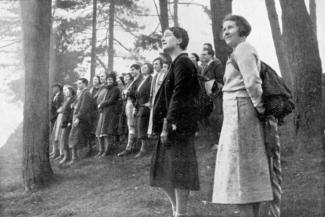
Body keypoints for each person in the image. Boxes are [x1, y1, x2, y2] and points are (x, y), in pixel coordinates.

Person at [212, 15, 273, 217]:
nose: (226, 31)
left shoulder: (244, 49)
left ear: (242, 30)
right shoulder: (238, 51)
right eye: (224, 28)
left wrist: (260, 108)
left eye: (230, 27)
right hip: (236, 111)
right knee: (241, 169)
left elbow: (253, 82)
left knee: (241, 168)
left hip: (242, 111)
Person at [150, 26, 200, 217]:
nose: (163, 39)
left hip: (178, 126)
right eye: (162, 36)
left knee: (178, 173)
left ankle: (180, 213)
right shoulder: (174, 63)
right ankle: (175, 210)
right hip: (171, 124)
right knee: (164, 173)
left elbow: (179, 96)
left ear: (179, 40)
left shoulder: (184, 62)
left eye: (167, 36)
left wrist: (167, 124)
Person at [200, 47, 224, 149]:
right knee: (210, 119)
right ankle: (213, 142)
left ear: (211, 55)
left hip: (215, 96)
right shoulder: (204, 67)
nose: (202, 56)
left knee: (217, 118)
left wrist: (214, 94)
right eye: (202, 54)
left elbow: (220, 82)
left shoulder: (216, 65)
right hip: (207, 96)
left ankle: (220, 142)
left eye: (205, 54)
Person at [117, 64, 143, 157]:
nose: (131, 71)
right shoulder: (134, 81)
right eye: (130, 70)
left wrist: (128, 92)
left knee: (133, 125)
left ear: (138, 70)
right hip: (129, 103)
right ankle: (130, 147)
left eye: (133, 69)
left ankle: (131, 147)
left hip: (134, 104)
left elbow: (139, 93)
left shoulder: (140, 79)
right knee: (130, 125)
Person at [95, 72, 121, 157]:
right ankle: (101, 150)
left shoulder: (115, 89)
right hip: (104, 112)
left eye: (110, 80)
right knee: (99, 132)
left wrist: (101, 104)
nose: (109, 81)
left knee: (106, 132)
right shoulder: (107, 89)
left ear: (114, 81)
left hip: (110, 112)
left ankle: (106, 151)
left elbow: (111, 100)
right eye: (107, 80)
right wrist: (101, 105)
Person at [68, 78, 93, 165]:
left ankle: (77, 159)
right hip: (77, 117)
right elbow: (78, 104)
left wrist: (78, 118)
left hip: (81, 119)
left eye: (80, 84)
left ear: (85, 84)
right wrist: (74, 104)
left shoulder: (86, 93)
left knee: (77, 138)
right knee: (74, 137)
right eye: (77, 84)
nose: (78, 85)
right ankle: (75, 159)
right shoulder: (81, 93)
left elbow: (84, 108)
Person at [133, 62, 153, 158]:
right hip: (139, 105)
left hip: (145, 105)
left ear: (150, 69)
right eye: (142, 67)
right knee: (139, 125)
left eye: (146, 67)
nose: (143, 69)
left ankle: (144, 148)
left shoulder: (151, 79)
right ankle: (141, 147)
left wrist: (149, 102)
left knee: (142, 125)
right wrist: (135, 106)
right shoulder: (141, 80)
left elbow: (152, 92)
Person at [147, 57, 167, 138]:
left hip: (162, 99)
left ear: (161, 65)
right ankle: (154, 133)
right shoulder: (155, 75)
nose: (154, 66)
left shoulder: (165, 74)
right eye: (153, 64)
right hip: (154, 99)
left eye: (156, 64)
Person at [58, 85, 76, 165]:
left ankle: (71, 157)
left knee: (67, 139)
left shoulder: (73, 99)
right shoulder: (66, 99)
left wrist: (69, 121)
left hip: (69, 122)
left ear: (71, 91)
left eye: (68, 91)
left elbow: (72, 112)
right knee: (63, 139)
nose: (66, 93)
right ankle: (66, 156)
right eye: (65, 91)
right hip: (64, 121)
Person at [117, 73, 134, 146]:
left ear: (130, 78)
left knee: (131, 124)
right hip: (125, 105)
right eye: (125, 78)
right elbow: (123, 98)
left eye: (127, 77)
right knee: (125, 123)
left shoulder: (132, 84)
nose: (125, 79)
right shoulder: (125, 86)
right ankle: (126, 142)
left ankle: (131, 143)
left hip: (131, 105)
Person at [50, 83, 64, 158]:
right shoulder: (55, 96)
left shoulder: (61, 96)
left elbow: (60, 107)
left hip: (58, 116)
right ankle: (54, 151)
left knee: (57, 134)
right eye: (53, 88)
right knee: (53, 134)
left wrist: (55, 115)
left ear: (59, 88)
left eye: (55, 88)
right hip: (54, 117)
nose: (53, 90)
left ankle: (58, 152)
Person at [89, 75, 101, 156]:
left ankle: (98, 147)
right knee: (91, 129)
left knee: (97, 128)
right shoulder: (91, 89)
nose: (94, 81)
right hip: (91, 111)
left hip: (98, 111)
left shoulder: (100, 89)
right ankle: (91, 147)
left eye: (96, 79)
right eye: (93, 79)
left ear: (99, 80)